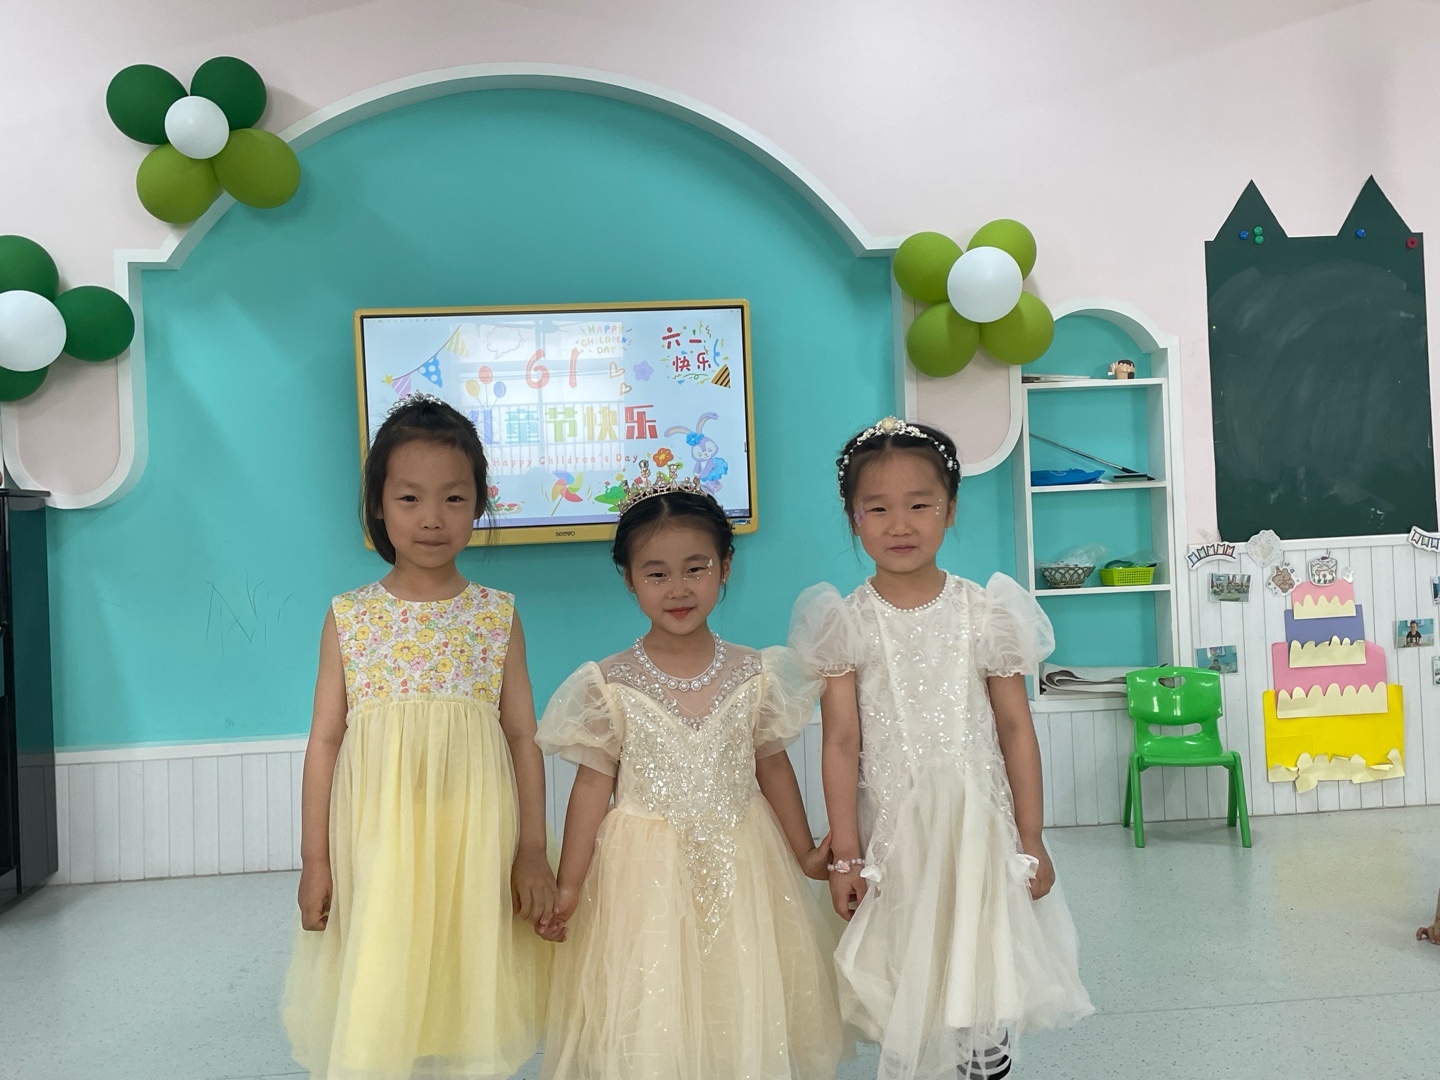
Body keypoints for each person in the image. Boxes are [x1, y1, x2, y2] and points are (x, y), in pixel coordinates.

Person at [790, 417, 1093, 1080]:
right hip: (894, 840)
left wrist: (1032, 838)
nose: (899, 524)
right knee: (910, 977)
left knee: (984, 980)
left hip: (977, 834)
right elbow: (840, 741)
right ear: (853, 519)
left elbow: (1015, 728)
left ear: (950, 509)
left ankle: (984, 1067)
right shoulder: (845, 622)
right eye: (877, 508)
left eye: (920, 505)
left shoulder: (986, 612)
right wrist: (846, 855)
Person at [535, 460, 848, 1080]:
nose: (677, 588)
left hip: (742, 856)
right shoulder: (608, 683)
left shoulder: (756, 672)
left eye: (695, 568)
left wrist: (805, 851)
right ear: (630, 580)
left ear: (725, 567)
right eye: (656, 573)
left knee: (738, 979)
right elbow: (590, 789)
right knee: (654, 995)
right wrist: (569, 885)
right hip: (642, 870)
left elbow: (773, 768)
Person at [282, 395, 555, 1080]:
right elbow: (325, 741)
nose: (432, 517)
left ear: (479, 504)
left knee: (466, 952)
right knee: (385, 952)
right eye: (409, 498)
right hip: (378, 834)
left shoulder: (496, 615)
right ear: (378, 505)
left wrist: (530, 849)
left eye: (454, 498)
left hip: (474, 831)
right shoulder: (350, 616)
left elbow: (522, 737)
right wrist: (315, 859)